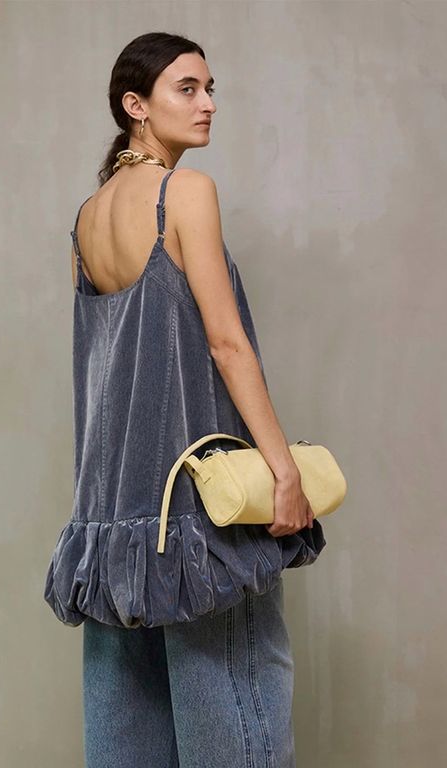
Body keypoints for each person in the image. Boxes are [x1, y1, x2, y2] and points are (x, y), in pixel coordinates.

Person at [43, 31, 327, 768]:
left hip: (113, 522)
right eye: (187, 88)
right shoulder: (185, 193)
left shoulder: (87, 217)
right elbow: (226, 344)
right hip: (197, 510)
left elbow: (105, 369)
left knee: (129, 748)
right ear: (135, 105)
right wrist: (283, 471)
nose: (208, 104)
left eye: (210, 89)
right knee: (238, 733)